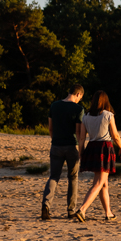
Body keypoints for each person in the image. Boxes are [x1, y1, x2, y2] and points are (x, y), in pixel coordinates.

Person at [76, 90, 121, 222]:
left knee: (104, 183)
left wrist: (81, 152)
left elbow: (81, 138)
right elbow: (115, 135)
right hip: (105, 148)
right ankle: (82, 209)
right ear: (105, 101)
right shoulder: (108, 115)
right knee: (99, 183)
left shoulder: (85, 117)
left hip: (92, 148)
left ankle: (108, 213)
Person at [41, 84, 85, 220]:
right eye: (80, 97)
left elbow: (50, 128)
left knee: (53, 177)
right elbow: (78, 132)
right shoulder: (78, 109)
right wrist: (81, 149)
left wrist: (55, 140)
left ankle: (46, 205)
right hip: (71, 146)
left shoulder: (54, 106)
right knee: (73, 178)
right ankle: (71, 210)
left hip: (56, 146)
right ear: (78, 94)